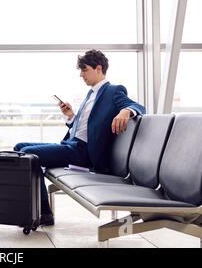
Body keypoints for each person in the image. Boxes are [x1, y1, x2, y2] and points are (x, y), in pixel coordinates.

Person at [13, 49, 146, 226]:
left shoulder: (113, 91)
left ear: (98, 68)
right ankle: (31, 207)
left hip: (83, 153)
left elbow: (138, 106)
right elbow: (86, 127)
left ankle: (43, 211)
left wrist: (125, 111)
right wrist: (71, 116)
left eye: (84, 70)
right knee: (19, 147)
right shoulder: (90, 94)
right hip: (72, 145)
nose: (81, 75)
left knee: (28, 154)